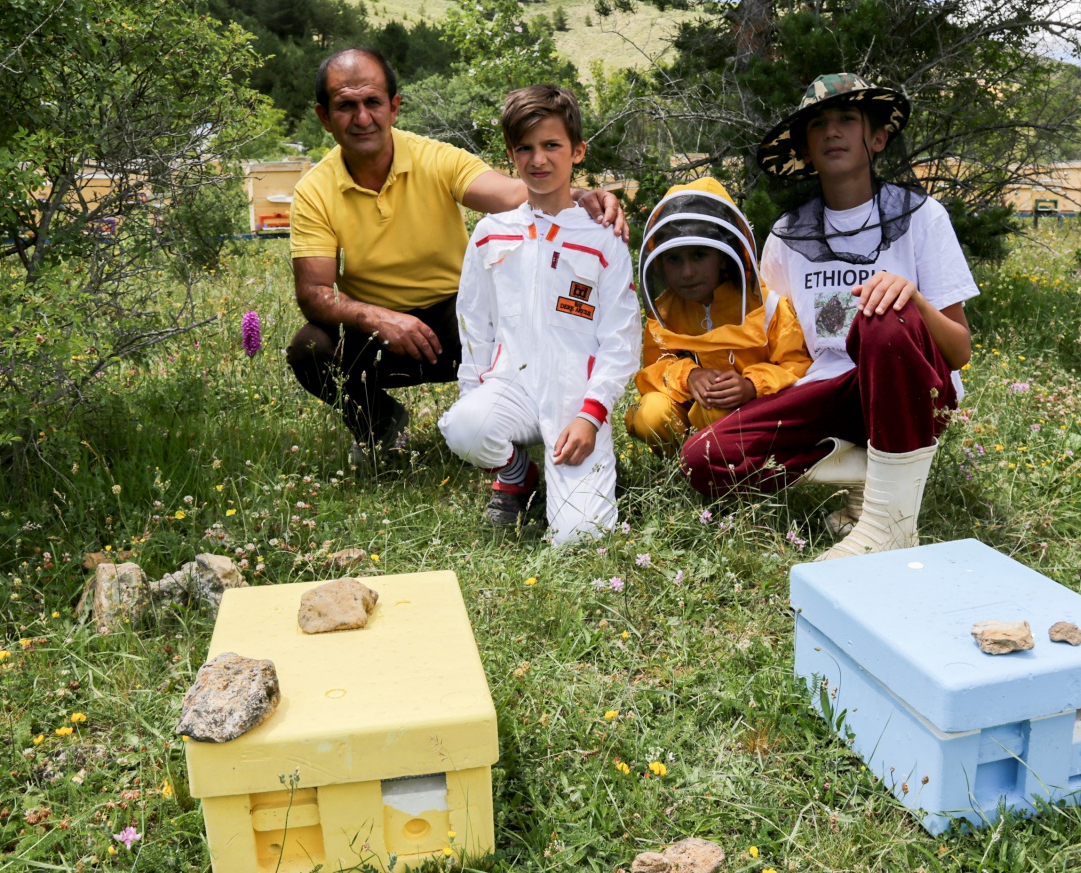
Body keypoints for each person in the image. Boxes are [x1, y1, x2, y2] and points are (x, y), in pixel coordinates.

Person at [682, 73, 978, 559]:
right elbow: (774, 343)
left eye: (846, 119)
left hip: (913, 390)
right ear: (805, 148)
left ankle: (888, 526)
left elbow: (959, 350)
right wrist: (725, 378)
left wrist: (915, 301)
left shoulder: (923, 217)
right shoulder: (785, 235)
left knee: (883, 318)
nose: (832, 132)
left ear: (877, 137)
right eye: (818, 124)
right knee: (703, 458)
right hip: (826, 394)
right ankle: (871, 475)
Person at [284, 47, 626, 460]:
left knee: (522, 323)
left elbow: (507, 192)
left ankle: (517, 437)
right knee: (309, 347)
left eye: (373, 102)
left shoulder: (435, 158)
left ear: (394, 107)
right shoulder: (314, 190)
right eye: (345, 106)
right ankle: (378, 424)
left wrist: (576, 194)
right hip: (377, 332)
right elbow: (314, 293)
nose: (362, 118)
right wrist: (381, 319)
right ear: (324, 117)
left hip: (456, 318)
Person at [437, 85, 641, 543]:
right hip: (511, 386)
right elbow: (474, 322)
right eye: (525, 148)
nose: (539, 160)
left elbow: (621, 339)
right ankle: (515, 474)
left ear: (578, 151)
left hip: (574, 400)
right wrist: (476, 395)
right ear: (511, 155)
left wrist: (591, 416)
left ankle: (588, 469)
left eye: (552, 146)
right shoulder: (491, 233)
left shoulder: (603, 238)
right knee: (465, 427)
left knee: (580, 536)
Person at [625, 177, 810, 447]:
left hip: (751, 417)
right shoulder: (665, 312)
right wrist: (689, 375)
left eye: (699, 255)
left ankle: (734, 475)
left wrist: (752, 385)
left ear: (724, 254)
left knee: (715, 410)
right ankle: (679, 474)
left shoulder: (766, 306)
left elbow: (797, 364)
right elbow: (654, 370)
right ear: (659, 262)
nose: (687, 272)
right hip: (687, 413)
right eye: (674, 259)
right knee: (650, 414)